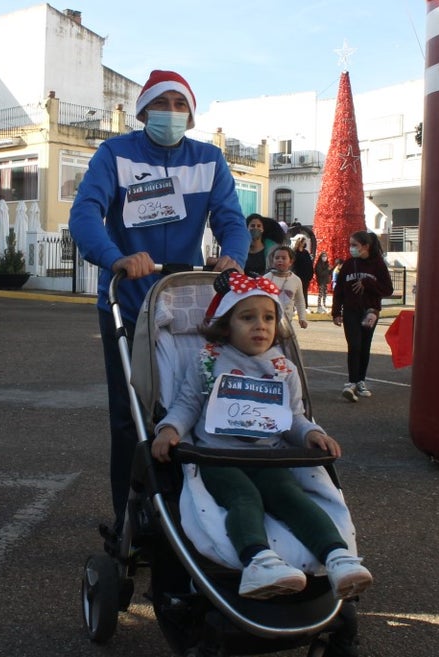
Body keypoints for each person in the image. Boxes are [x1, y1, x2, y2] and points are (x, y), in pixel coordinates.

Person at [69, 69, 251, 541]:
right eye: (161, 103)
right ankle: (130, 523)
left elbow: (231, 219)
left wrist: (233, 255)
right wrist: (116, 257)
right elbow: (85, 212)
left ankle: (192, 516)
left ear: (190, 114)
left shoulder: (209, 160)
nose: (171, 112)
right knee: (131, 418)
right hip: (130, 305)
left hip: (184, 308)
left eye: (179, 104)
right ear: (144, 110)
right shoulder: (115, 154)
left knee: (190, 410)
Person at [151, 270, 372, 600]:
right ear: (227, 324)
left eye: (269, 317)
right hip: (218, 456)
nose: (261, 325)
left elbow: (293, 418)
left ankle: (337, 556)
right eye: (248, 317)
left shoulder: (283, 368)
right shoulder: (209, 361)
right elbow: (187, 405)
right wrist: (169, 429)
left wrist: (310, 433)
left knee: (292, 498)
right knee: (244, 498)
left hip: (268, 457)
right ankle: (258, 560)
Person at [332, 231, 393, 402]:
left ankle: (361, 381)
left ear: (365, 246)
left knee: (365, 346)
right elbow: (339, 290)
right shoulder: (349, 264)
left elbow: (388, 289)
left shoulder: (378, 264)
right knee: (355, 345)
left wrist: (368, 283)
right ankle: (351, 382)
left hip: (370, 311)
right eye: (350, 245)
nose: (351, 248)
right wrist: (336, 311)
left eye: (354, 245)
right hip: (351, 310)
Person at [267, 245, 308, 329]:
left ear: (291, 261)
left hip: (287, 322)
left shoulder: (296, 280)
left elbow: (300, 300)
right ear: (272, 260)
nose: (280, 260)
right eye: (277, 258)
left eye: (284, 258)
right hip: (268, 322)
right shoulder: (266, 278)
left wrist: (302, 318)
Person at [292, 237, 314, 308]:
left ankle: (305, 306)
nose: (304, 244)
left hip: (306, 276)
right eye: (303, 242)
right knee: (297, 291)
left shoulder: (306, 252)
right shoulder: (295, 252)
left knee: (304, 291)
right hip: (298, 275)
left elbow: (309, 263)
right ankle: (295, 305)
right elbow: (293, 265)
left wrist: (311, 273)